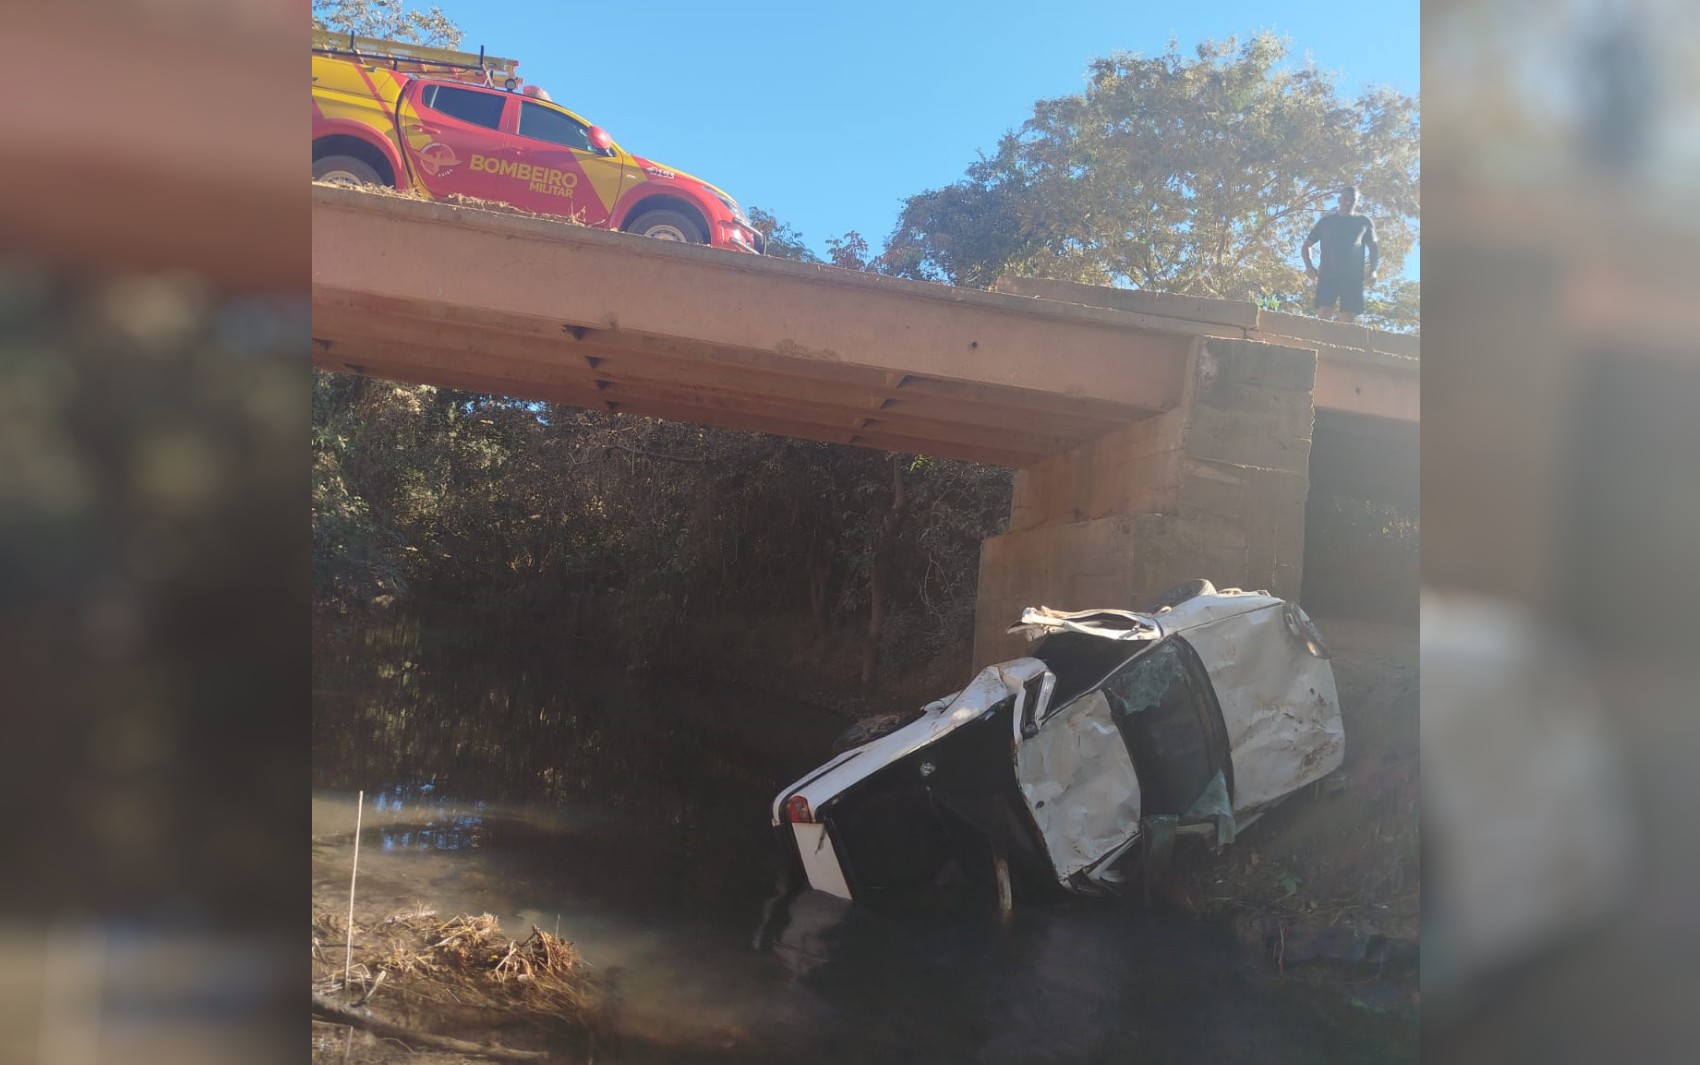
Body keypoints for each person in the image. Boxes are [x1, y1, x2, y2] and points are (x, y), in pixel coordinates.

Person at [1301, 186, 1379, 322]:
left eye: (1352, 199)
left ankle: (1344, 342)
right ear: (1339, 199)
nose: (1348, 202)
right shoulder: (1326, 222)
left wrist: (1373, 270)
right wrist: (1309, 266)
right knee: (1324, 312)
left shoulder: (1364, 222)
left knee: (1348, 315)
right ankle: (1320, 342)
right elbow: (1306, 245)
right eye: (1345, 198)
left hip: (1352, 276)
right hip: (1328, 274)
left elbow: (1374, 247)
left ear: (1357, 201)